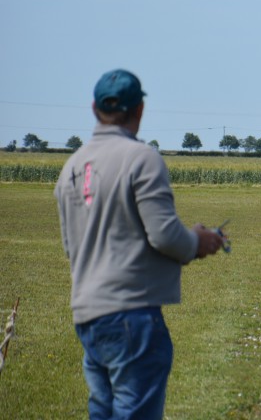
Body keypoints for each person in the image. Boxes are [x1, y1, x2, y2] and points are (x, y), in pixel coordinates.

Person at [55, 69, 225, 419]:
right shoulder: (141, 158)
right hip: (131, 314)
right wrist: (198, 241)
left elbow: (74, 247)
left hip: (88, 314)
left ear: (94, 108)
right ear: (140, 110)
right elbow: (163, 234)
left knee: (103, 410)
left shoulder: (71, 166)